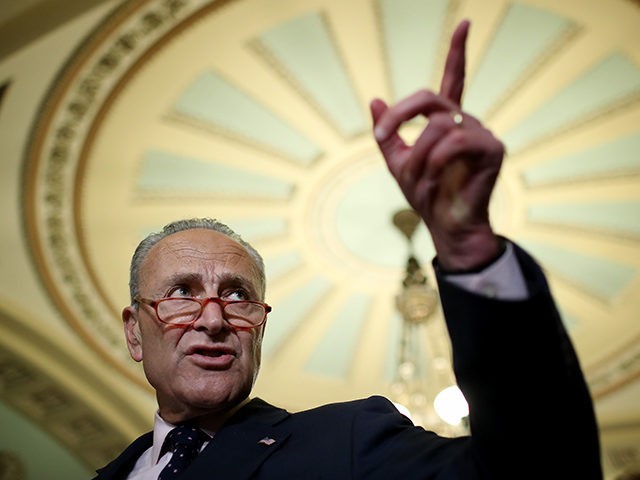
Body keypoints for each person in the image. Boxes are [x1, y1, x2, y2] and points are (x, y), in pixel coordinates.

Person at [94, 20, 602, 479]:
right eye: (182, 292)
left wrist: (469, 249)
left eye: (236, 296)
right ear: (135, 332)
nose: (214, 320)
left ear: (261, 326)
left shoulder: (350, 440)